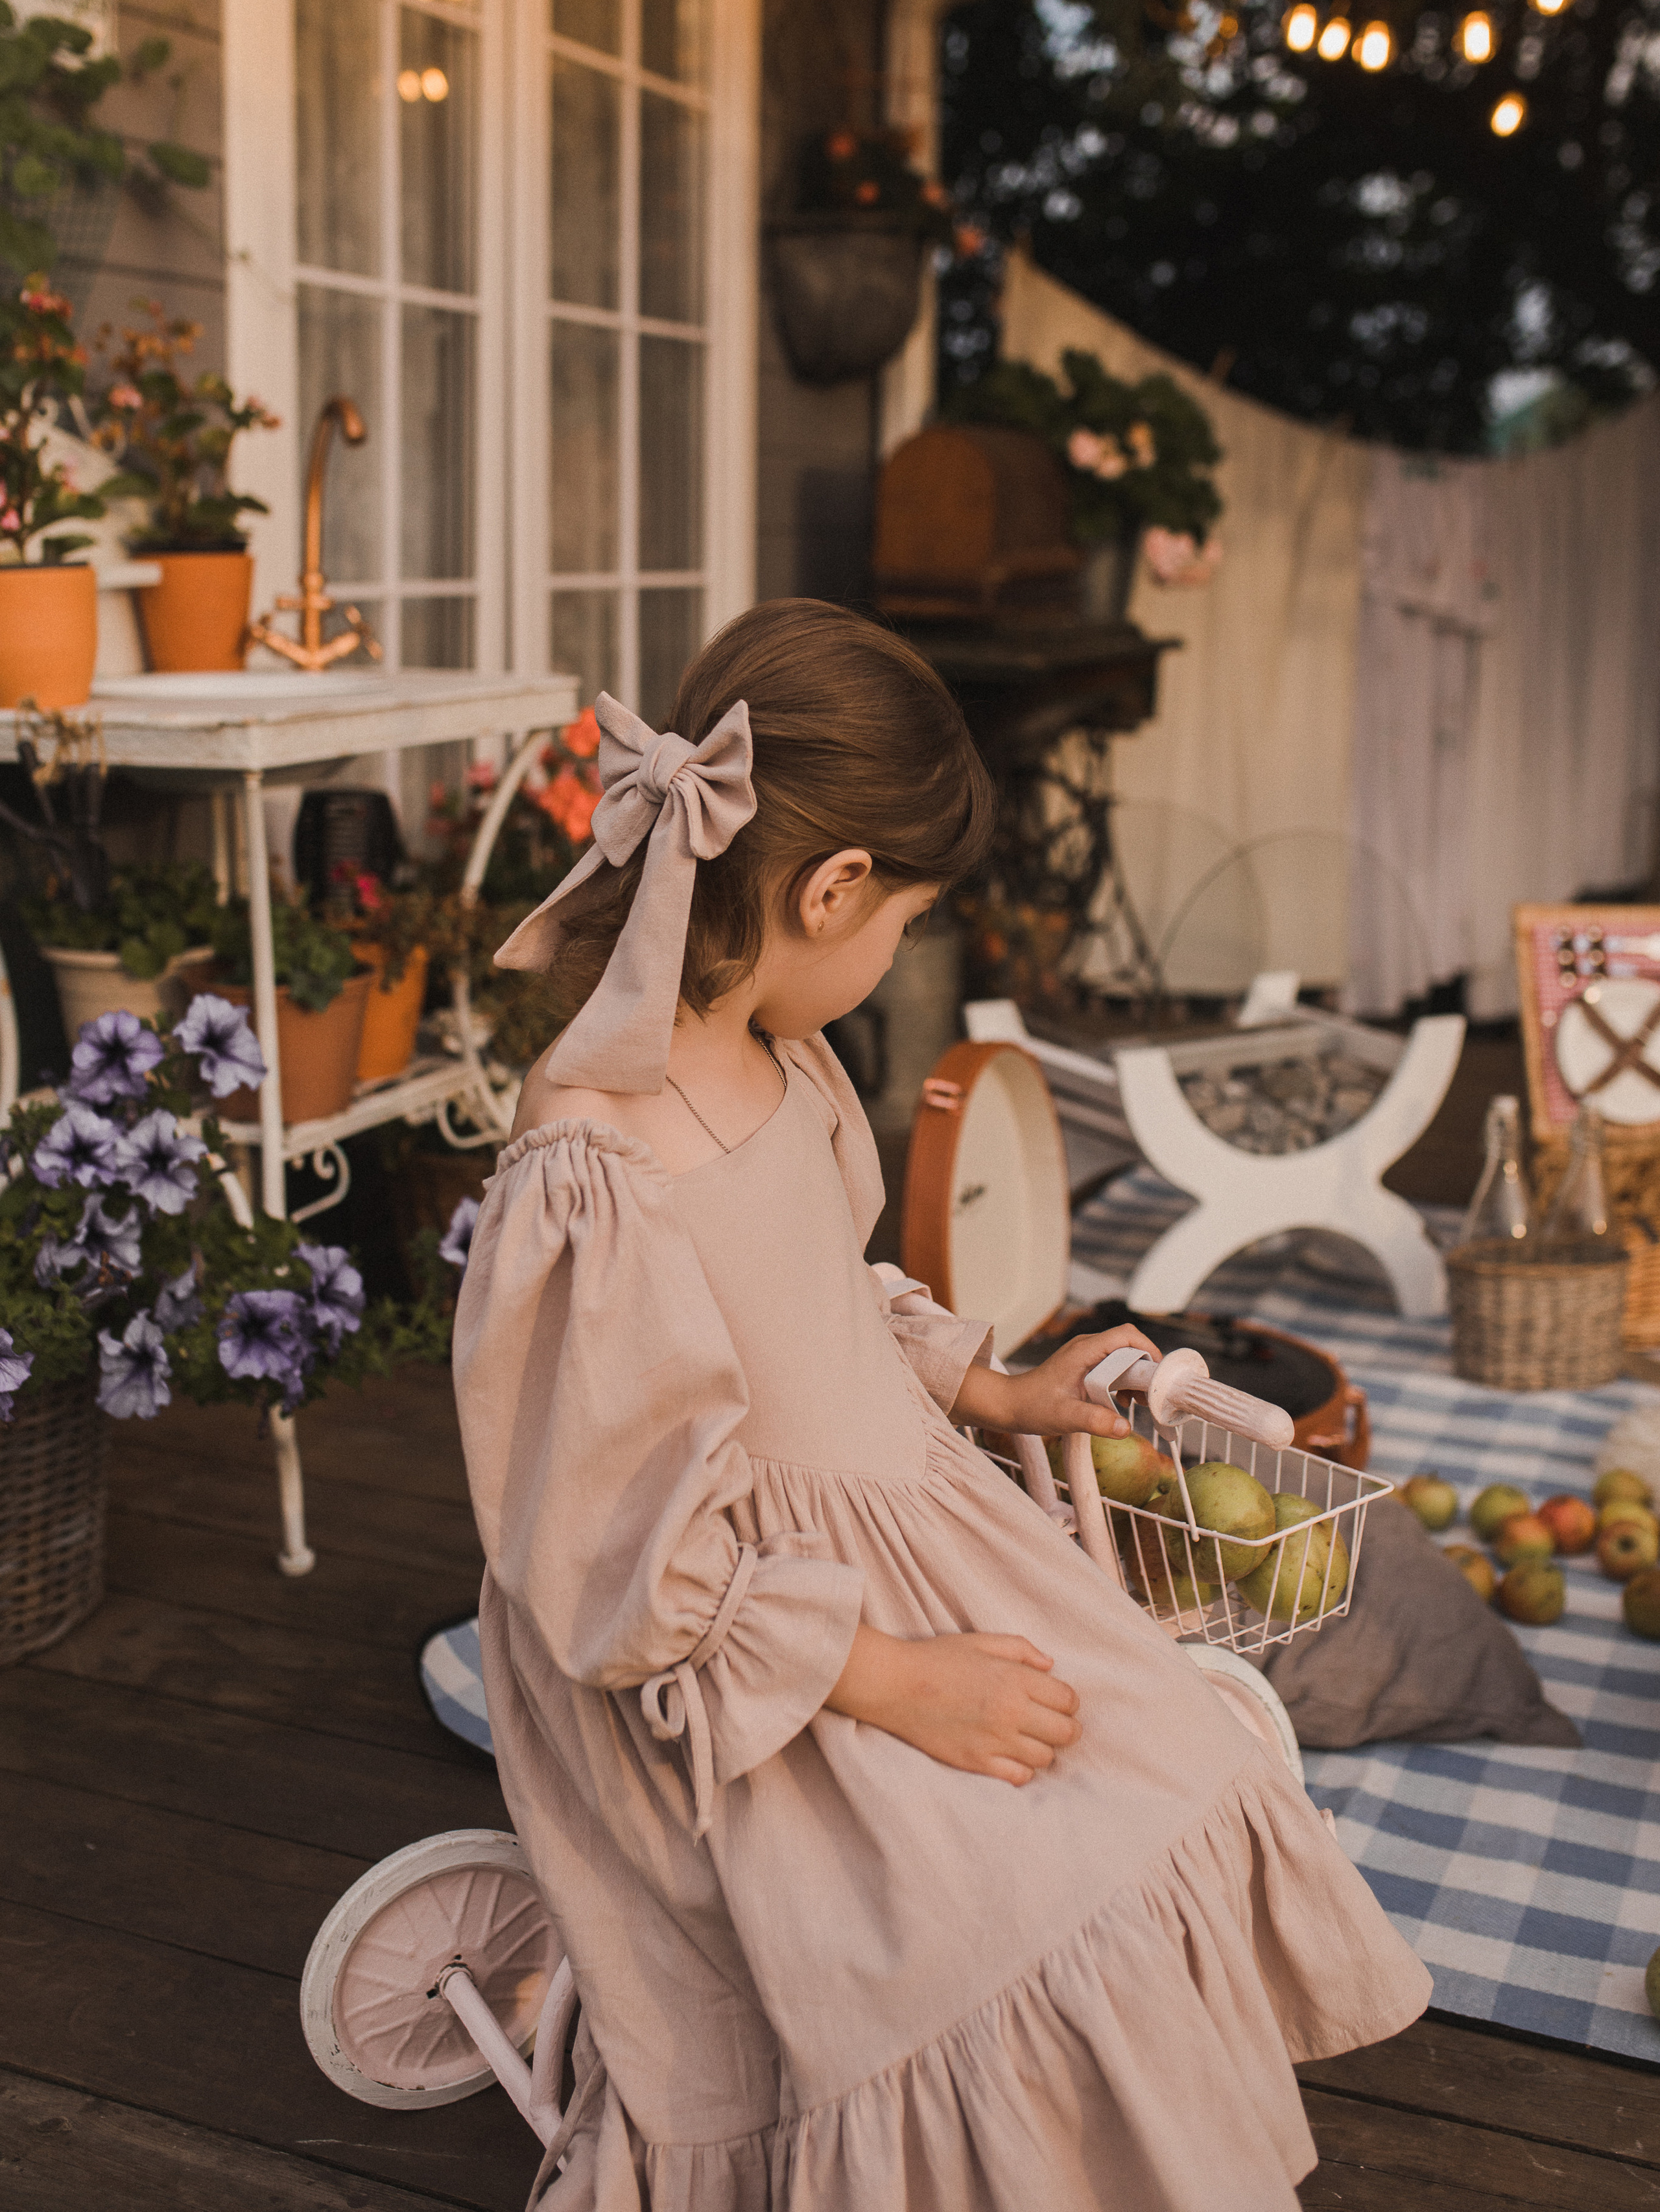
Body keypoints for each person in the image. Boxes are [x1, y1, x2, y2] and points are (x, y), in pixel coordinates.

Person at [453, 600, 1429, 2211]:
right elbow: (609, 1552)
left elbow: (825, 1299)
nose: (894, 951)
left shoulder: (781, 1050)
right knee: (989, 1904)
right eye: (902, 919)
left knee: (1166, 1754)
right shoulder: (596, 1166)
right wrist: (892, 1680)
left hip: (892, 1524)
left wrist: (989, 1382)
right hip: (741, 1644)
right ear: (830, 888)